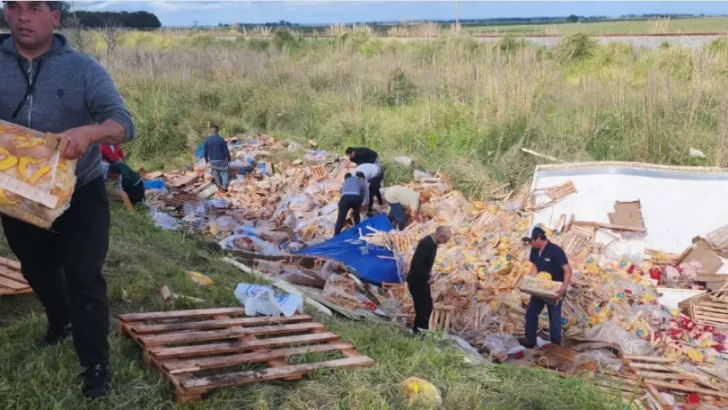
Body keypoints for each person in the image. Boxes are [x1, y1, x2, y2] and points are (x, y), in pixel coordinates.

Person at [0, 1, 135, 399]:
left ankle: (95, 365)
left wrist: (90, 133)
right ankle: (60, 322)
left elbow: (122, 123)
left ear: (55, 17)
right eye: (14, 6)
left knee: (84, 274)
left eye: (35, 7)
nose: (23, 16)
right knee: (36, 268)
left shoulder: (84, 70)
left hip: (80, 191)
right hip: (17, 194)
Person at [519, 227, 573, 348]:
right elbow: (535, 267)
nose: (529, 243)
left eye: (531, 240)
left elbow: (568, 270)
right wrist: (530, 283)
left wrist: (563, 288)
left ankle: (555, 346)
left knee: (554, 318)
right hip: (540, 288)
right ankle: (530, 339)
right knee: (531, 313)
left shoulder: (555, 250)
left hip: (554, 290)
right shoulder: (534, 250)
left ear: (539, 238)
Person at [408, 226, 451, 334]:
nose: (445, 243)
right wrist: (428, 277)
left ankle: (419, 331)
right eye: (445, 240)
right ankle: (419, 332)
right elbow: (416, 264)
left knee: (427, 306)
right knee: (423, 308)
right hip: (417, 279)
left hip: (422, 279)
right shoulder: (427, 244)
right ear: (440, 236)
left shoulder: (432, 244)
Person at [203, 125, 231, 192]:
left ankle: (219, 185)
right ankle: (224, 186)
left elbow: (205, 151)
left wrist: (206, 159)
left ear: (210, 131)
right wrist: (228, 158)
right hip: (221, 159)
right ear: (217, 131)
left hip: (212, 160)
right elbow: (226, 150)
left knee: (215, 172)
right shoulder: (221, 139)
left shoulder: (207, 140)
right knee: (224, 172)